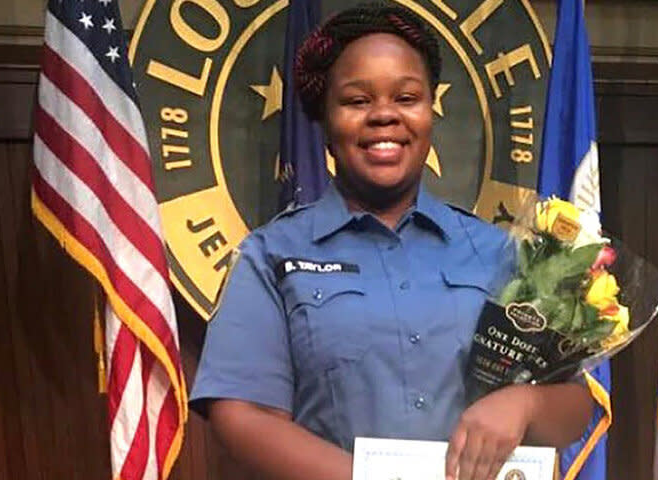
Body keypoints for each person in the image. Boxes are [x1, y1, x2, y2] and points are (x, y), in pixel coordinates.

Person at [189, 4, 593, 480]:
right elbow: (242, 418)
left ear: (430, 111)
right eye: (357, 101)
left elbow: (575, 405)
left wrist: (523, 403)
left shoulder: (497, 254)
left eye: (407, 97)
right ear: (324, 117)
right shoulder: (270, 256)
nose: (384, 115)